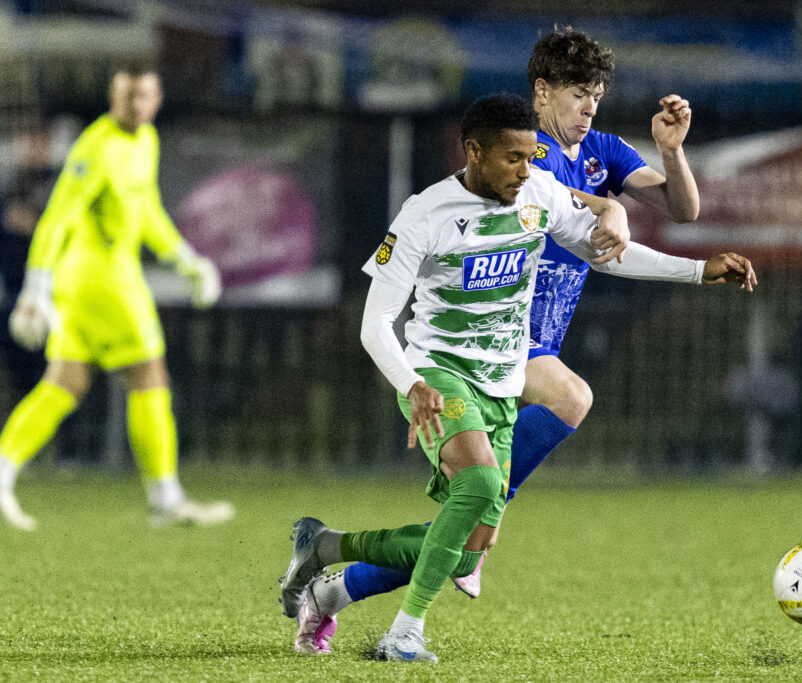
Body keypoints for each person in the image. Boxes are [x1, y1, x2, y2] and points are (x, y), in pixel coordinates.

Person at [290, 28, 755, 652]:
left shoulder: (552, 181)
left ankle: (326, 562)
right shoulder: (434, 209)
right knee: (530, 439)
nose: (526, 168)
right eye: (514, 157)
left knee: (462, 547)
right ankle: (405, 631)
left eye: (597, 96)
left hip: (505, 371)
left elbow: (620, 243)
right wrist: (413, 383)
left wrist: (697, 268)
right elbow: (377, 321)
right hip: (442, 368)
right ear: (479, 151)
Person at [0, 63, 234, 530]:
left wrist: (186, 259)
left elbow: (146, 209)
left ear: (158, 96)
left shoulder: (145, 141)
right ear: (114, 97)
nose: (139, 105)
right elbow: (56, 217)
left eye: (147, 96)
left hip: (95, 281)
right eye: (130, 96)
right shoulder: (96, 147)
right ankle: (167, 497)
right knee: (149, 372)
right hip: (101, 280)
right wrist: (34, 288)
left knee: (65, 382)